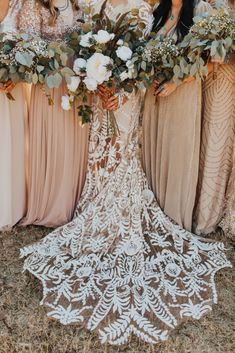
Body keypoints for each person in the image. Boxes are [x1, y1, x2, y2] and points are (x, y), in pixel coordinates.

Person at [20, 0, 231, 346]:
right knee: (101, 149)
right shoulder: (101, 4)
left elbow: (142, 61)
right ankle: (97, 201)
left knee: (122, 151)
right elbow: (89, 43)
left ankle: (121, 208)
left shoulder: (145, 11)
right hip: (104, 93)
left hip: (130, 95)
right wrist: (98, 80)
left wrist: (123, 88)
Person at [17, 0, 89, 228]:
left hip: (77, 83)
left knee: (73, 142)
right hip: (50, 83)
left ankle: (72, 200)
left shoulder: (80, 4)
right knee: (55, 141)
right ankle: (50, 205)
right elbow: (28, 43)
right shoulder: (33, 5)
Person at [142, 0, 212, 232]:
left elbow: (209, 61)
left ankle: (173, 216)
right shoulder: (158, 12)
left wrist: (175, 82)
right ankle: (155, 212)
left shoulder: (201, 10)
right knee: (156, 148)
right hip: (155, 95)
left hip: (182, 93)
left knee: (178, 151)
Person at [194, 0, 235, 234]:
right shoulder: (211, 7)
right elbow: (207, 55)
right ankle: (207, 214)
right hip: (218, 82)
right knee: (214, 146)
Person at [0, 0, 30, 231]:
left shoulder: (22, 4)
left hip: (13, 88)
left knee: (11, 144)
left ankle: (12, 203)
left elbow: (31, 43)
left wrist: (17, 76)